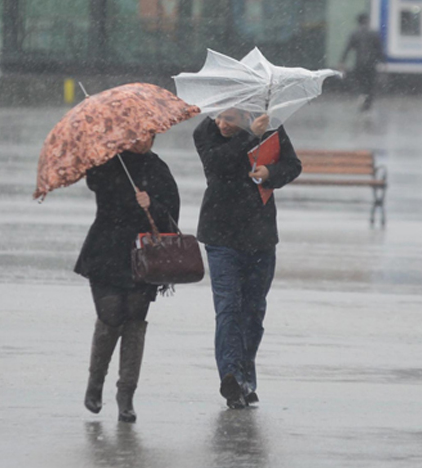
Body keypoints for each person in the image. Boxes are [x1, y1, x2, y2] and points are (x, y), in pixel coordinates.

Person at [193, 109, 301, 409]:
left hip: (260, 235)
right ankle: (229, 375)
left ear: (244, 112)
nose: (221, 124)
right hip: (220, 235)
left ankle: (244, 379)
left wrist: (271, 174)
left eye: (229, 118)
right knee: (228, 307)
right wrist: (250, 134)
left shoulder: (271, 129)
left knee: (253, 312)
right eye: (219, 117)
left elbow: (293, 165)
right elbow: (218, 163)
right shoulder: (205, 132)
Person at [75, 136, 180, 423]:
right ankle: (96, 383)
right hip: (105, 251)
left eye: (150, 135)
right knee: (110, 316)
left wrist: (152, 204)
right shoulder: (107, 162)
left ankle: (126, 394)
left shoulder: (158, 168)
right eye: (138, 135)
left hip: (142, 256)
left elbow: (171, 214)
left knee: (134, 320)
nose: (144, 140)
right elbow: (95, 182)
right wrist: (103, 153)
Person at [339, 13, 384, 111]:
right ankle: (368, 103)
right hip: (371, 64)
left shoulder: (355, 34)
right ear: (367, 21)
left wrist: (342, 61)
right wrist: (383, 62)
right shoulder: (374, 34)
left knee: (360, 82)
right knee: (371, 84)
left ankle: (362, 95)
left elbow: (348, 48)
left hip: (359, 63)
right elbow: (379, 50)